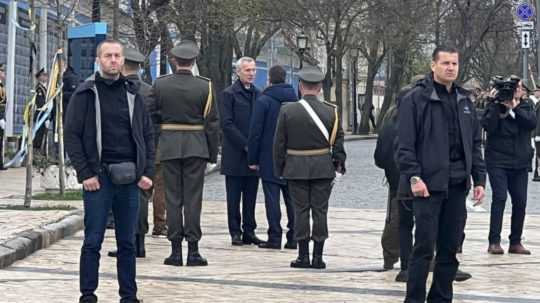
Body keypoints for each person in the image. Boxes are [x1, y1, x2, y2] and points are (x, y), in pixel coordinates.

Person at [65, 39, 154, 303]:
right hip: (98, 178)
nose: (113, 60)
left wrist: (147, 171)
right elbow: (72, 136)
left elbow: (147, 136)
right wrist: (85, 174)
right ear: (98, 60)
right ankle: (88, 295)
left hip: (129, 178)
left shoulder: (133, 93)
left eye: (117, 56)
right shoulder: (85, 93)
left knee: (127, 242)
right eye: (108, 56)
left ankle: (129, 296)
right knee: (93, 241)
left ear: (123, 61)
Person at [397, 46, 486, 302]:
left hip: (458, 184)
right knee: (424, 248)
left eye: (454, 64)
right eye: (445, 63)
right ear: (433, 65)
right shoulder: (416, 99)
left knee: (449, 249)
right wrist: (414, 176)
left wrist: (479, 178)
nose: (450, 68)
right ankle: (414, 298)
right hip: (427, 185)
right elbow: (404, 145)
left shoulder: (465, 100)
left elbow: (474, 143)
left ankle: (441, 298)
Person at [150, 40, 219, 267]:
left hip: (169, 146)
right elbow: (212, 124)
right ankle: (193, 250)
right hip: (196, 147)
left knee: (172, 198)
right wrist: (211, 154)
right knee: (192, 200)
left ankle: (175, 251)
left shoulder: (160, 85)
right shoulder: (205, 86)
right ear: (193, 61)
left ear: (174, 60)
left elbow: (151, 117)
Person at [273, 65, 346, 269]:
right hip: (323, 168)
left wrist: (280, 168)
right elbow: (338, 142)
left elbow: (279, 143)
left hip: (296, 168)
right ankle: (318, 257)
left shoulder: (288, 110)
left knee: (301, 211)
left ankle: (303, 256)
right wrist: (339, 164)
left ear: (300, 86)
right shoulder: (332, 111)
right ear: (320, 87)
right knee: (320, 211)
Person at [482, 78, 537, 255]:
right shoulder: (495, 105)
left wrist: (513, 108)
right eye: (515, 88)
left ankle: (516, 241)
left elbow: (530, 124)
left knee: (520, 201)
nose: (518, 91)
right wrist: (495, 104)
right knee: (499, 197)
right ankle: (494, 241)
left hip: (520, 161)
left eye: (520, 88)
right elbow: (488, 126)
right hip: (497, 159)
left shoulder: (526, 106)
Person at [108, 47, 153, 259]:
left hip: (122, 153)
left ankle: (127, 241)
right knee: (142, 195)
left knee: (122, 198)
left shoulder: (118, 88)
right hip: (146, 150)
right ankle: (140, 242)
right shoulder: (150, 90)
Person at [247, 65, 297, 250]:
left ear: (269, 79)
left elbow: (255, 132)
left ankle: (275, 236)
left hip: (268, 157)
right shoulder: (295, 100)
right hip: (291, 156)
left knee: (272, 199)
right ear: (285, 79)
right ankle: (294, 237)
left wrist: (252, 158)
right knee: (292, 199)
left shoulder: (264, 100)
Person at [219, 57, 264, 246]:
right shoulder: (229, 94)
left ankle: (249, 230)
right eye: (247, 70)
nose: (252, 73)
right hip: (235, 154)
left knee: (251, 195)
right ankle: (235, 231)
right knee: (234, 196)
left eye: (253, 70)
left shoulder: (258, 94)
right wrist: (245, 144)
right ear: (238, 72)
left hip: (253, 156)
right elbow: (227, 124)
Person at [34, 68, 49, 152]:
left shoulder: (44, 88)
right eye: (44, 75)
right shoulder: (39, 89)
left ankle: (40, 152)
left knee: (42, 135)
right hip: (40, 114)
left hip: (44, 115)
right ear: (39, 77)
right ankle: (36, 152)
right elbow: (41, 103)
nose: (46, 77)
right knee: (38, 135)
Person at [0, 63, 6, 170]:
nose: (3, 73)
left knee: (1, 141)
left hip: (2, 116)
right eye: (2, 71)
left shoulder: (2, 86)